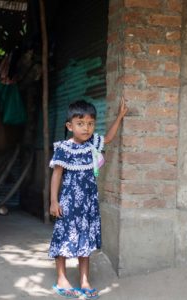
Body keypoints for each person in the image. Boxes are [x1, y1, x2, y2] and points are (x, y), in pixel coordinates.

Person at [49, 98, 128, 299]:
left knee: (85, 241)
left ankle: (84, 280)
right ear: (70, 125)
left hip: (88, 204)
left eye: (90, 123)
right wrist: (53, 201)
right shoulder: (64, 148)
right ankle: (61, 278)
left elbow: (108, 138)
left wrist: (120, 116)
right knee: (64, 238)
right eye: (80, 123)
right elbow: (57, 175)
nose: (86, 128)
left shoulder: (93, 142)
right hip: (68, 203)